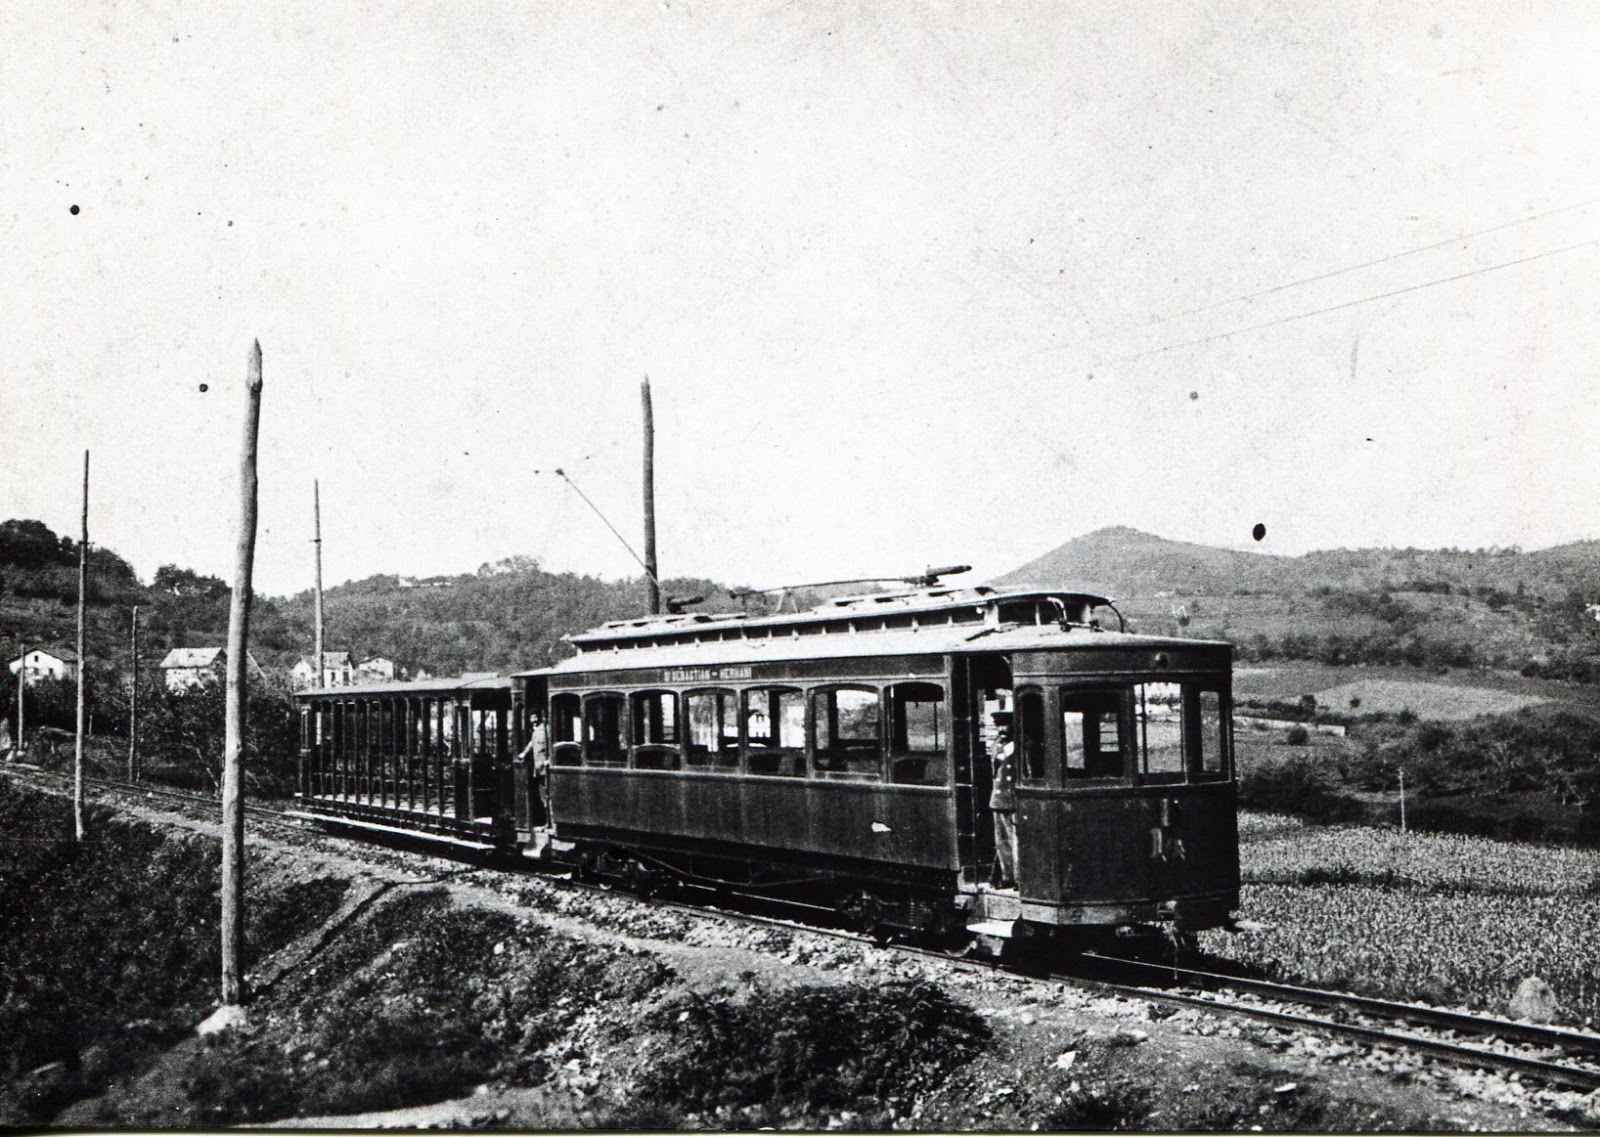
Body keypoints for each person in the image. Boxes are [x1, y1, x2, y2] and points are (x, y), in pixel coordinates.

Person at [989, 713, 1018, 889]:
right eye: (998, 725)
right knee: (1002, 841)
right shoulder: (998, 744)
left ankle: (1018, 878)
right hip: (999, 799)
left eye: (1005, 725)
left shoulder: (1021, 744)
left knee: (1016, 842)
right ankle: (1008, 876)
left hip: (1014, 799)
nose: (1001, 729)